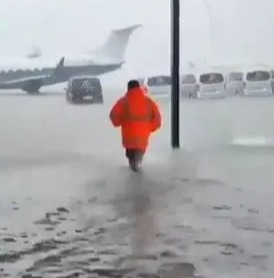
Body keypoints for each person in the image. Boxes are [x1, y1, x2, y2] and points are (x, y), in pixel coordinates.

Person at [109, 80, 161, 171]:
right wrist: (149, 128)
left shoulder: (123, 101)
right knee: (138, 160)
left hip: (129, 139)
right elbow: (158, 120)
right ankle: (138, 170)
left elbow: (113, 115)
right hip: (142, 139)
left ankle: (133, 174)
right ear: (139, 88)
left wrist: (119, 122)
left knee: (131, 161)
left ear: (128, 89)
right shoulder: (149, 101)